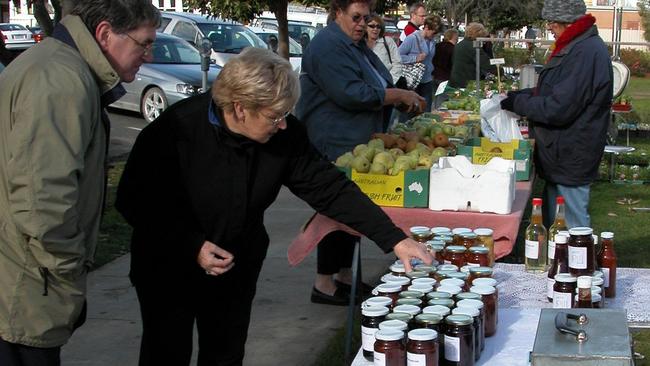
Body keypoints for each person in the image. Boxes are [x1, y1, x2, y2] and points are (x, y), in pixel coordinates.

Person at [116, 47, 433, 365]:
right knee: (166, 352)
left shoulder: (285, 135)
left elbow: (330, 188)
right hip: (169, 264)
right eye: (274, 116)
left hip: (235, 263)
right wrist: (191, 245)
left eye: (285, 114)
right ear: (240, 109)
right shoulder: (177, 130)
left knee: (225, 353)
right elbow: (135, 200)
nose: (282, 125)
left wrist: (394, 239)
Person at [0, 1, 160, 365]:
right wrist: (67, 268)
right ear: (104, 34)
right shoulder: (62, 81)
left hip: (24, 278)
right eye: (143, 43)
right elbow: (43, 201)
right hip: (25, 286)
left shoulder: (59, 68)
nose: (148, 56)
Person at [296, 0, 425, 306]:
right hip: (332, 141)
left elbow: (379, 79)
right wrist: (395, 96)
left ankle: (344, 276)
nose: (361, 24)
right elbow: (350, 92)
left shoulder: (352, 44)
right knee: (334, 211)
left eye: (366, 18)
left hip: (355, 141)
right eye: (355, 17)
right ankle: (323, 283)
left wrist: (398, 95)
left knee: (353, 212)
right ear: (336, 12)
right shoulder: (328, 46)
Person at [500, 0, 612, 229]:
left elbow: (558, 108)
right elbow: (555, 91)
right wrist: (519, 95)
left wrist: (519, 103)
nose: (549, 27)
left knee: (573, 229)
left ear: (567, 21)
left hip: (571, 153)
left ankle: (577, 264)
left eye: (552, 21)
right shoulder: (576, 46)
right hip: (561, 154)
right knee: (556, 227)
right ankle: (559, 262)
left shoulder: (584, 52)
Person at [399, 15, 440, 115]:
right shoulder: (412, 38)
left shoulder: (432, 41)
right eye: (433, 32)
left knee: (425, 112)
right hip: (413, 81)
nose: (433, 35)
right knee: (409, 112)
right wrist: (415, 58)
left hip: (427, 80)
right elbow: (398, 56)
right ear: (426, 27)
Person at [448, 22, 495, 88]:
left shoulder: (459, 44)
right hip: (467, 83)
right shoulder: (474, 47)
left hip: (456, 80)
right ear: (479, 34)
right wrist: (500, 70)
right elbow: (486, 65)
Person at [367, 14, 402, 84]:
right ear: (365, 27)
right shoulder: (360, 44)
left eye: (378, 26)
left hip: (387, 84)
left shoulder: (388, 42)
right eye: (372, 26)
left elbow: (397, 63)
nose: (375, 29)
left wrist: (389, 81)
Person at [432, 28, 458, 109]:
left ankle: (435, 113)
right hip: (446, 77)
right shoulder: (453, 49)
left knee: (436, 98)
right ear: (453, 37)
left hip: (434, 75)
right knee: (443, 100)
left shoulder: (437, 46)